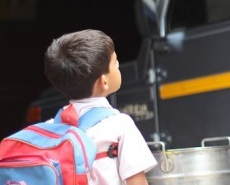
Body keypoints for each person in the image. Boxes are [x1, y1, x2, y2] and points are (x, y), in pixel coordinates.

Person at [44, 29, 157, 185]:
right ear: (104, 82)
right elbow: (137, 182)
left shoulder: (50, 129)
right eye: (115, 62)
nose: (118, 65)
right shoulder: (120, 125)